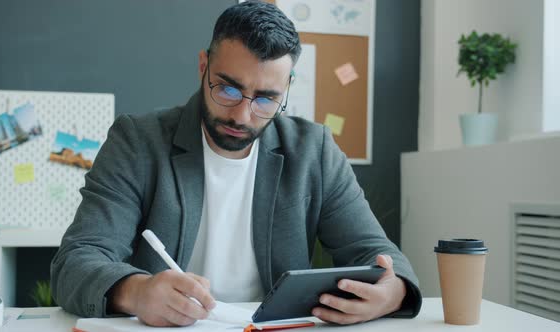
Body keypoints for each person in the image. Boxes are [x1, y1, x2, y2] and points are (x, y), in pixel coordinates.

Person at [51, 0, 421, 327]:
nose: (242, 115)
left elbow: (375, 250)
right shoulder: (138, 142)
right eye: (227, 89)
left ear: (286, 89)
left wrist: (392, 292)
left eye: (265, 99)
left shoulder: (314, 150)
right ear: (203, 66)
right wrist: (136, 292)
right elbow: (77, 261)